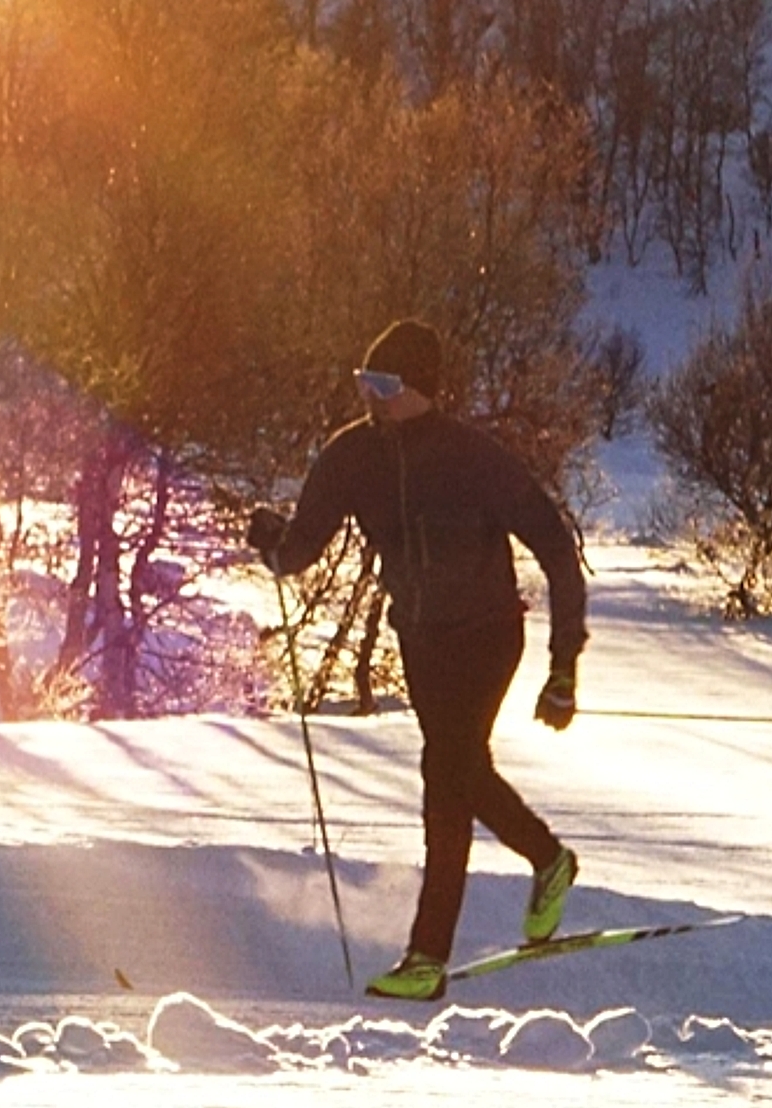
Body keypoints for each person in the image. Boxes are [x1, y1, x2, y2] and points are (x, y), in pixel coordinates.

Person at [246, 318, 587, 1002]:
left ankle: (428, 955)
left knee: (447, 772)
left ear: (424, 390)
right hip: (422, 641)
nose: (371, 397)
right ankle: (548, 859)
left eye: (386, 384)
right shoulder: (351, 456)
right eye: (364, 382)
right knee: (459, 773)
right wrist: (274, 542)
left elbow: (556, 549)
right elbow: (302, 549)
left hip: (489, 636)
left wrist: (562, 667)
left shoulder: (475, 458)